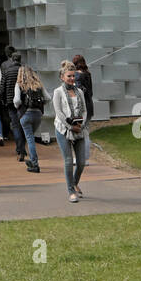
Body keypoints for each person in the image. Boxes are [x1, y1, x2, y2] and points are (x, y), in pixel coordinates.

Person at [53, 61, 89, 201]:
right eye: (69, 76)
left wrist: (81, 123)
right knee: (68, 160)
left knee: (81, 162)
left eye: (73, 76)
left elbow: (84, 110)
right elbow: (59, 113)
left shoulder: (79, 91)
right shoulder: (58, 92)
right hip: (63, 130)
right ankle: (71, 191)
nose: (72, 79)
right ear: (62, 77)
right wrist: (70, 126)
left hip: (79, 129)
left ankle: (74, 183)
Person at [13, 65, 46, 173]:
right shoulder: (38, 85)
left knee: (30, 139)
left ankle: (34, 163)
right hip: (38, 114)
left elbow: (17, 100)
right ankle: (32, 160)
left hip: (25, 114)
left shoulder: (19, 85)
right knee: (30, 137)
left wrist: (18, 107)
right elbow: (48, 98)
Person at [1, 46, 26, 163]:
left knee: (15, 125)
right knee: (23, 125)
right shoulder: (24, 71)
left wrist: (3, 99)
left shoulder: (7, 71)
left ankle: (19, 148)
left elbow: (2, 87)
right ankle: (22, 148)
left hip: (10, 101)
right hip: (23, 101)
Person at [72, 53, 95, 121]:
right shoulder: (87, 73)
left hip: (82, 106)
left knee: (81, 129)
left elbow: (79, 91)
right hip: (89, 104)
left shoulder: (77, 75)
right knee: (86, 128)